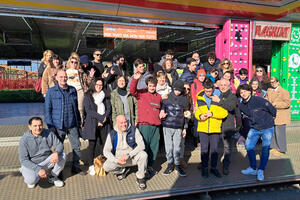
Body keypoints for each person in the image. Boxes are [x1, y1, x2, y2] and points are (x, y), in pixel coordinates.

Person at [45, 69, 84, 175]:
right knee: (59, 148)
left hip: (72, 125)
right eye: (61, 77)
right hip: (58, 126)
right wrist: (50, 125)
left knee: (76, 146)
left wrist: (79, 122)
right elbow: (47, 110)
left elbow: (76, 108)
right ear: (56, 78)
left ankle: (75, 167)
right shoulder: (51, 92)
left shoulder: (72, 90)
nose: (63, 78)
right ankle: (58, 170)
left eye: (65, 76)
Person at [237, 84, 276, 181]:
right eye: (241, 92)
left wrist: (270, 118)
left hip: (267, 127)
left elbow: (272, 109)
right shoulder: (241, 105)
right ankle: (253, 168)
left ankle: (261, 170)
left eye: (245, 91)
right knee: (249, 146)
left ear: (250, 91)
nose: (243, 94)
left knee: (265, 149)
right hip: (254, 128)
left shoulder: (259, 100)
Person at [103, 115, 148, 190]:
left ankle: (140, 177)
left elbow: (142, 145)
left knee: (143, 155)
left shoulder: (134, 130)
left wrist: (129, 155)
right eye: (121, 123)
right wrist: (116, 160)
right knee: (106, 167)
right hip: (119, 159)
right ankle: (122, 170)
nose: (124, 124)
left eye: (125, 122)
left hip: (131, 157)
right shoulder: (112, 134)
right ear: (117, 123)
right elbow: (106, 151)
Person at [19, 117, 66, 188]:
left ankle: (53, 177)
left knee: (63, 155)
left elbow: (59, 145)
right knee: (31, 182)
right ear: (30, 127)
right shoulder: (24, 140)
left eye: (40, 125)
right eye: (35, 126)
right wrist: (38, 170)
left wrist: (56, 152)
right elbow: (23, 160)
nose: (38, 128)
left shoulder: (49, 133)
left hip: (46, 160)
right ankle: (26, 172)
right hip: (32, 164)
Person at [129, 73, 162, 176]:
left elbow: (161, 108)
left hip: (155, 126)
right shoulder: (141, 94)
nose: (152, 88)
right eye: (150, 86)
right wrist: (135, 79)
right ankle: (142, 168)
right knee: (144, 147)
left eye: (153, 86)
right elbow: (132, 90)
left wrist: (163, 111)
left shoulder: (158, 97)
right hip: (144, 125)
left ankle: (149, 166)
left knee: (154, 147)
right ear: (147, 86)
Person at [195, 80, 228, 178]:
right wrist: (200, 116)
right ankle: (204, 168)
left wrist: (212, 114)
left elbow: (224, 113)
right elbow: (196, 112)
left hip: (215, 128)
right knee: (204, 149)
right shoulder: (199, 99)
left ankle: (213, 168)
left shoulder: (218, 98)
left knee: (214, 150)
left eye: (209, 91)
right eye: (206, 91)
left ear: (213, 89)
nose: (208, 93)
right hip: (203, 127)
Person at [82, 78, 111, 176]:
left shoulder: (105, 95)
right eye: (97, 84)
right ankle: (91, 166)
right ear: (93, 84)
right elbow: (89, 111)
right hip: (92, 123)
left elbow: (108, 108)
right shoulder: (88, 96)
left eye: (101, 85)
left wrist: (105, 117)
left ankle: (105, 164)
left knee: (105, 144)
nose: (99, 87)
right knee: (92, 145)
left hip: (104, 124)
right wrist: (100, 118)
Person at [160, 80, 189, 176]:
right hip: (167, 126)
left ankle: (177, 165)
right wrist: (161, 112)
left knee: (177, 147)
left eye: (179, 90)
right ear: (173, 89)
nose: (177, 92)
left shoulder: (184, 100)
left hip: (178, 127)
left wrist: (185, 128)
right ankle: (169, 164)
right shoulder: (166, 97)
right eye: (176, 90)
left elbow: (186, 115)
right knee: (168, 147)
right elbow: (162, 109)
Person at [211, 78, 240, 175]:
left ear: (229, 86)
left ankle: (225, 165)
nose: (223, 87)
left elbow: (231, 107)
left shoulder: (232, 96)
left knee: (227, 148)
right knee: (214, 147)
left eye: (225, 85)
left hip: (228, 126)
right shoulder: (216, 95)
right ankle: (212, 164)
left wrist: (219, 101)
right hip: (216, 126)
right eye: (221, 85)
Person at [266, 77, 291, 155]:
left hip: (281, 115)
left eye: (274, 82)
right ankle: (273, 147)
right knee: (272, 132)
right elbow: (266, 98)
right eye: (271, 82)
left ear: (278, 82)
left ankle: (281, 149)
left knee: (280, 133)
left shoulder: (284, 91)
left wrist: (276, 104)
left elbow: (287, 103)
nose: (272, 84)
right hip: (271, 114)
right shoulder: (269, 90)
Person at [66, 55, 95, 122]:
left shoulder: (81, 71)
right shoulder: (66, 71)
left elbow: (87, 82)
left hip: (80, 90)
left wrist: (90, 76)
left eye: (75, 62)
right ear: (69, 62)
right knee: (70, 108)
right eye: (72, 62)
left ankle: (81, 123)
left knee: (80, 108)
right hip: (69, 90)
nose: (73, 64)